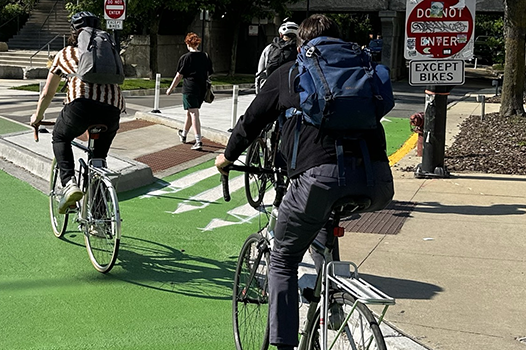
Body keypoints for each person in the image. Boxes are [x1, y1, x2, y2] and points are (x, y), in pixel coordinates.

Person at [214, 14, 394, 350]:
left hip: (318, 178)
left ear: (301, 44)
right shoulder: (362, 72)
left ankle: (285, 346)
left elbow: (251, 121)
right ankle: (333, 299)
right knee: (325, 223)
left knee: (283, 257)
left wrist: (227, 157)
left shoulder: (291, 73)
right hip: (377, 181)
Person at [30, 11, 125, 212]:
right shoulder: (107, 53)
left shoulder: (65, 53)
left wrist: (37, 117)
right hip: (112, 110)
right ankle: (98, 217)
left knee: (60, 136)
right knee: (98, 162)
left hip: (81, 106)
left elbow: (48, 92)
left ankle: (69, 184)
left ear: (74, 32)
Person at [166, 33, 213, 150]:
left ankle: (198, 140)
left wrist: (170, 89)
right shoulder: (205, 56)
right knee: (190, 112)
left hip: (189, 89)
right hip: (201, 89)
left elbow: (178, 76)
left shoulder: (185, 58)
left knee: (193, 113)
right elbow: (210, 72)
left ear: (187, 43)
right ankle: (184, 134)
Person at [255, 21, 298, 89]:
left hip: (272, 86)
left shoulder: (270, 48)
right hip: (291, 88)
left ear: (281, 34)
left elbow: (260, 71)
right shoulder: (300, 49)